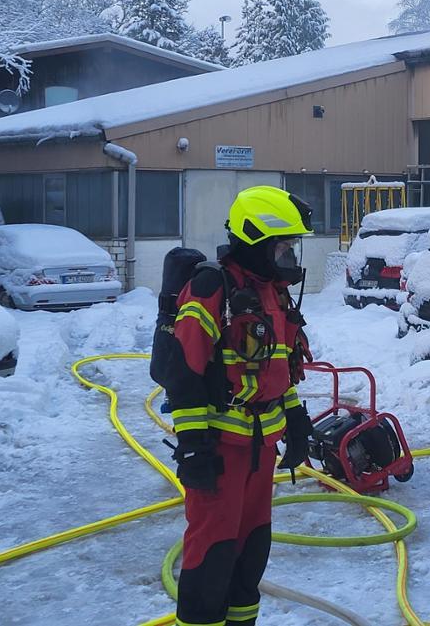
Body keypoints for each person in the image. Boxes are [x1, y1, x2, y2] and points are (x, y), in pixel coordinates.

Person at [163, 186, 316, 626]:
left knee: (250, 558)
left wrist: (296, 417)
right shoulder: (213, 287)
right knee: (212, 559)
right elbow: (184, 375)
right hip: (220, 452)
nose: (288, 256)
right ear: (257, 241)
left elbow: (276, 369)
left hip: (261, 452)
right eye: (282, 246)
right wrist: (193, 445)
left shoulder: (272, 291)